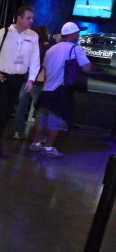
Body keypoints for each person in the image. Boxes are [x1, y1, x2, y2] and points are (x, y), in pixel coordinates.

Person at [28, 22, 91, 158]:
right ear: (73, 35)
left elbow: (45, 71)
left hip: (46, 89)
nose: (78, 36)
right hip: (61, 90)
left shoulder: (51, 49)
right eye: (78, 33)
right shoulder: (76, 49)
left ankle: (35, 143)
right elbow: (86, 68)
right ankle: (48, 148)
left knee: (41, 119)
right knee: (56, 121)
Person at [0, 5, 40, 156]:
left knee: (6, 112)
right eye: (28, 18)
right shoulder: (4, 32)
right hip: (2, 77)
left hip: (18, 79)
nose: (31, 21)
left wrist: (31, 79)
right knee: (2, 110)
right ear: (19, 18)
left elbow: (35, 60)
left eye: (32, 18)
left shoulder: (33, 36)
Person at [12, 25, 53, 139]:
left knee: (21, 107)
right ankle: (41, 136)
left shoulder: (29, 46)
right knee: (40, 109)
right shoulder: (49, 48)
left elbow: (19, 61)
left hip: (25, 79)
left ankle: (18, 132)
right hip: (38, 82)